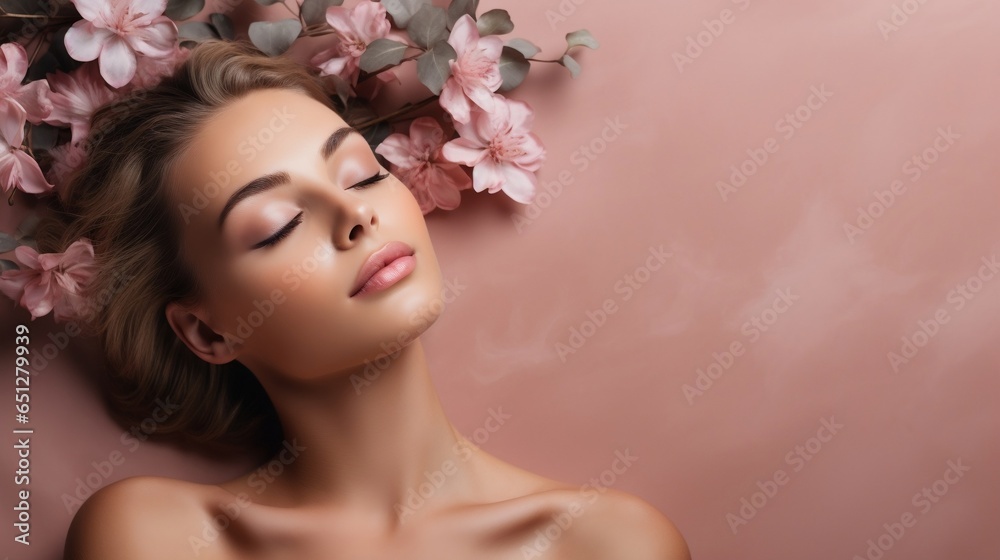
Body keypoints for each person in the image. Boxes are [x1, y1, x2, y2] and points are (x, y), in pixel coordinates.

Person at [49, 39, 691, 559]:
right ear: (209, 332)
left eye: (362, 174)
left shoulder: (608, 544)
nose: (354, 213)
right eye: (277, 224)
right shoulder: (160, 539)